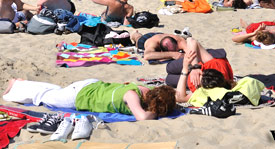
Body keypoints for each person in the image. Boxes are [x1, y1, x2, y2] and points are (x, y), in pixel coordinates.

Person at [3, 78, 176, 121]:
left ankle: (23, 82)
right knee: (44, 97)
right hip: (79, 96)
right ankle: (15, 84)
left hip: (90, 86)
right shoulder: (132, 96)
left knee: (57, 91)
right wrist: (154, 112)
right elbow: (142, 117)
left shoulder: (144, 90)